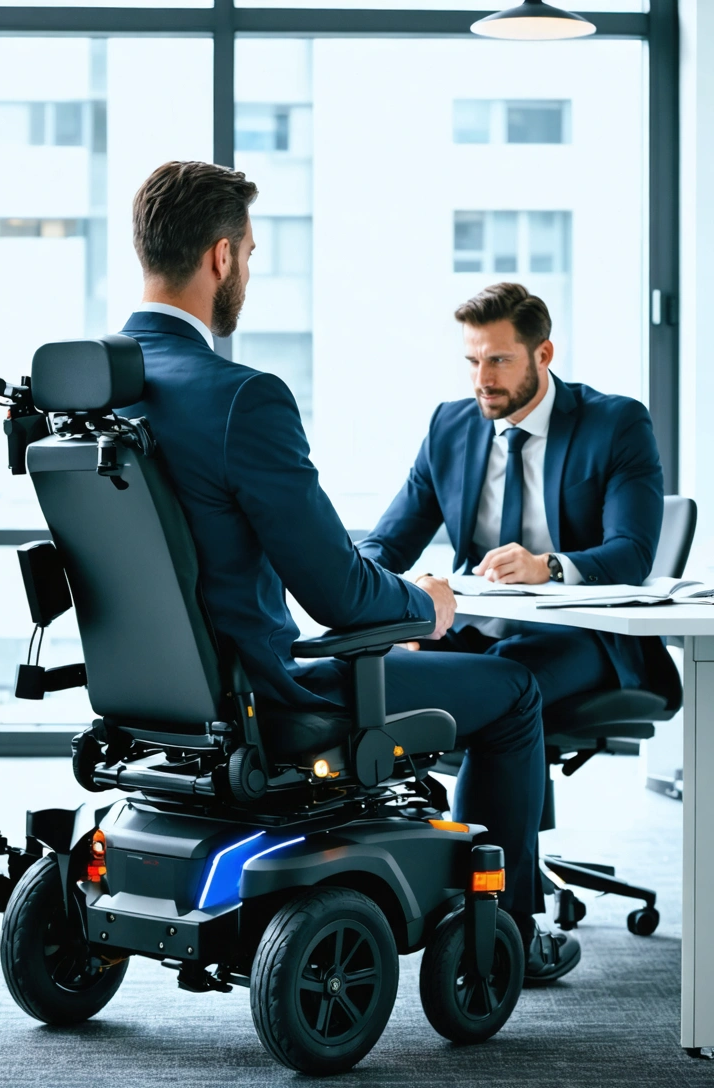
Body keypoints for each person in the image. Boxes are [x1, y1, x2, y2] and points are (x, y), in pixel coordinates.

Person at [116, 162, 574, 983]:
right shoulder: (238, 397)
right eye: (250, 254)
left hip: (149, 698)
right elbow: (334, 592)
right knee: (512, 694)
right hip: (268, 696)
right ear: (221, 258)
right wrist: (422, 607)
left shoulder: (98, 395)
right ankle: (505, 933)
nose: (248, 271)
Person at [357, 282, 672, 710]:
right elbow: (388, 543)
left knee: (499, 684)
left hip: (578, 635)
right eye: (473, 361)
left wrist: (548, 566)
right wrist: (406, 595)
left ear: (543, 355)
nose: (482, 380)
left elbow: (632, 554)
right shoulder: (450, 428)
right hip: (471, 629)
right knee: (357, 669)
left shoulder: (615, 424)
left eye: (499, 361)